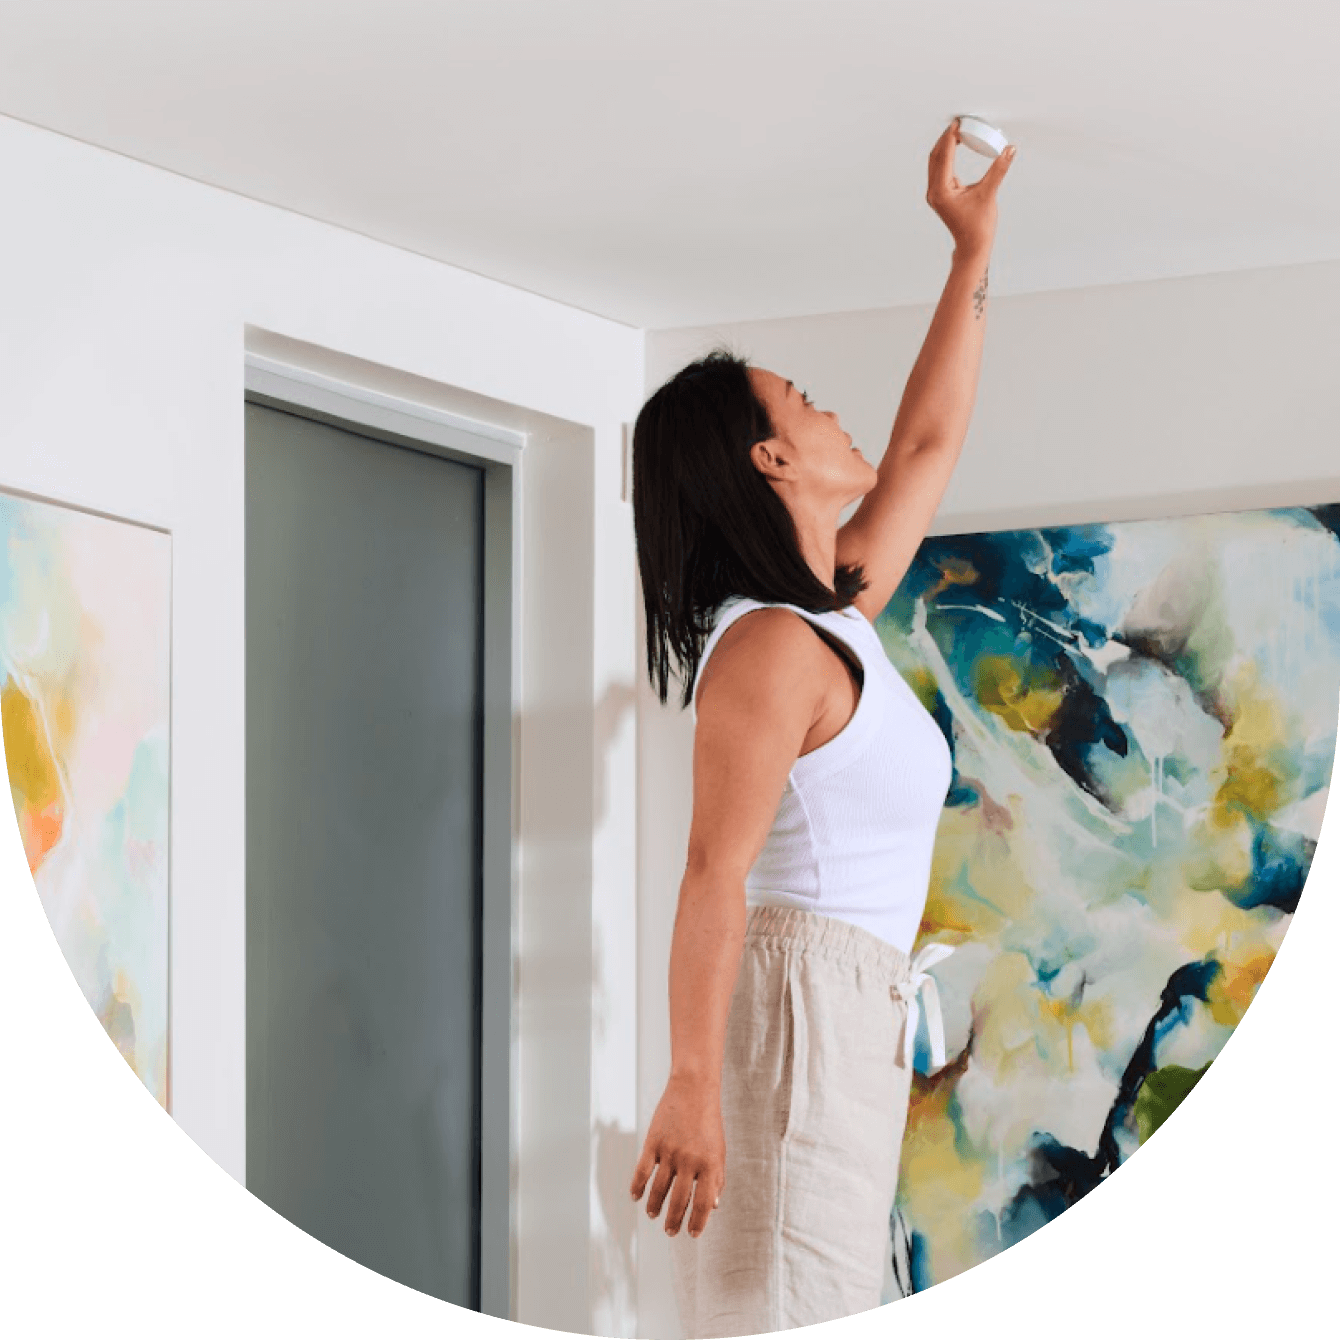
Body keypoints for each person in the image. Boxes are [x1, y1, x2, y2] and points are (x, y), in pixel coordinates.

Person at [627, 117, 1016, 1337]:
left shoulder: (831, 607)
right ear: (769, 456)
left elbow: (927, 441)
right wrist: (692, 1077)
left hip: (843, 1022)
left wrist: (969, 254)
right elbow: (711, 868)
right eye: (800, 398)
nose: (826, 403)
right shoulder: (765, 646)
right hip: (794, 1022)